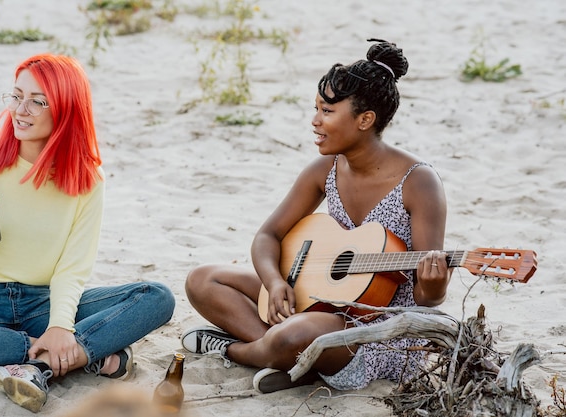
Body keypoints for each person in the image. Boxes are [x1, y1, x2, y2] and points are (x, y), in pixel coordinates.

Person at [180, 39, 452, 394]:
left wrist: (434, 285)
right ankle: (289, 357)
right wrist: (276, 283)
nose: (315, 121)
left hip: (377, 330)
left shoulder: (419, 182)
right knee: (202, 280)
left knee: (291, 334)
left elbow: (425, 301)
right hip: (316, 297)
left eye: (327, 111)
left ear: (364, 120)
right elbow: (268, 236)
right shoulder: (325, 169)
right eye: (316, 108)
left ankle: (239, 350)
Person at [0, 53, 175, 413]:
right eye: (17, 96)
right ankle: (64, 354)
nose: (21, 110)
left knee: (156, 297)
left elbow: (73, 267)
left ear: (65, 110)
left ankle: (37, 363)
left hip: (43, 300)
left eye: (38, 101)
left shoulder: (86, 180)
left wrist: (61, 326)